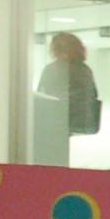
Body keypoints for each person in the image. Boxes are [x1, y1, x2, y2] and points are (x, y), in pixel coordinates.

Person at [29, 31, 100, 164]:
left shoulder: (53, 69)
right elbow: (93, 94)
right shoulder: (85, 69)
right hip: (79, 120)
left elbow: (42, 95)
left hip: (55, 119)